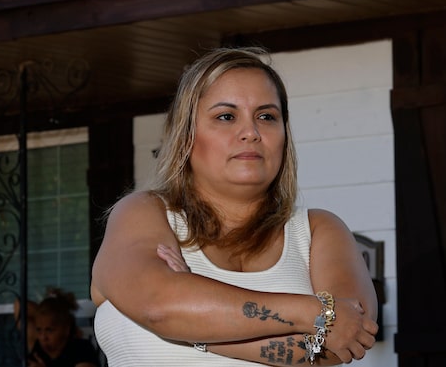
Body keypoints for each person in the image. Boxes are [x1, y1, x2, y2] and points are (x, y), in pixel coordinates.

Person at [90, 47, 379, 366]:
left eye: (267, 116)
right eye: (226, 116)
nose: (250, 133)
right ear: (187, 136)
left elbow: (346, 341)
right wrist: (314, 312)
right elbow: (159, 307)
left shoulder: (319, 231)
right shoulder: (143, 214)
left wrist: (194, 325)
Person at [27, 287, 100, 367]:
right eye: (39, 330)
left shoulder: (81, 349)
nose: (43, 337)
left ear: (66, 329)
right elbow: (19, 305)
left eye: (49, 330)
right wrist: (45, 312)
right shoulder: (37, 349)